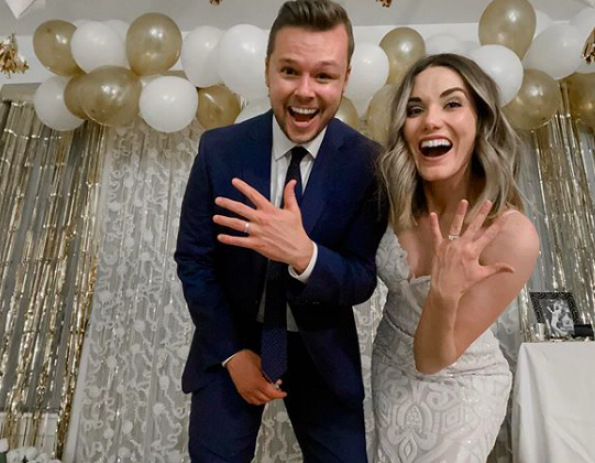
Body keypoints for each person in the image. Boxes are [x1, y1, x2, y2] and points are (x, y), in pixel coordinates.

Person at [174, 1, 386, 461]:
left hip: (323, 352)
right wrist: (232, 354)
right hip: (230, 339)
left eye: (324, 75)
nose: (305, 91)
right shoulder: (219, 149)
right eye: (289, 71)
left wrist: (305, 255)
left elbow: (361, 279)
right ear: (267, 69)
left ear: (345, 79)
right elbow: (193, 260)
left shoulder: (370, 164)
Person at [372, 53, 540, 463]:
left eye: (451, 103)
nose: (431, 120)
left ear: (481, 121)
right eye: (416, 109)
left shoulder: (511, 235)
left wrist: (444, 294)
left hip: (459, 382)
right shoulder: (390, 199)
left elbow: (431, 359)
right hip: (388, 369)